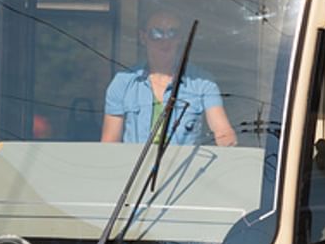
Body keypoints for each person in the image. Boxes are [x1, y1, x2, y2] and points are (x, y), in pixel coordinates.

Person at [101, 10, 237, 147]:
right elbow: (109, 144)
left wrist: (229, 147)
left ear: (180, 39)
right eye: (157, 33)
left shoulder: (203, 82)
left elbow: (223, 133)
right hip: (135, 167)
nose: (165, 41)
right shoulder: (122, 82)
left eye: (173, 33)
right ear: (143, 37)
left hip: (186, 168)